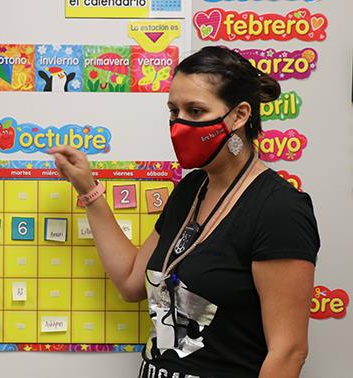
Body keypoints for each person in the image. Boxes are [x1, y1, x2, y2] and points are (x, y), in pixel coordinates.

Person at [49, 46, 319, 378]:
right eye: (173, 111)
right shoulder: (191, 190)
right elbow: (132, 283)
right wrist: (88, 190)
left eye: (195, 111)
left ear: (239, 115)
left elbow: (289, 352)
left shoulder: (279, 210)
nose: (179, 125)